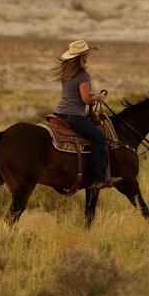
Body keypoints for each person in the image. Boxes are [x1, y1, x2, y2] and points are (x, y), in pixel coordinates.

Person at [51, 40, 120, 190]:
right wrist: (98, 97)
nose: (88, 56)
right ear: (82, 56)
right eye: (86, 54)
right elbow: (86, 99)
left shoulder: (67, 73)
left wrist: (93, 96)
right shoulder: (83, 75)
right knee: (99, 138)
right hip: (74, 115)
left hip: (59, 113)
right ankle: (99, 178)